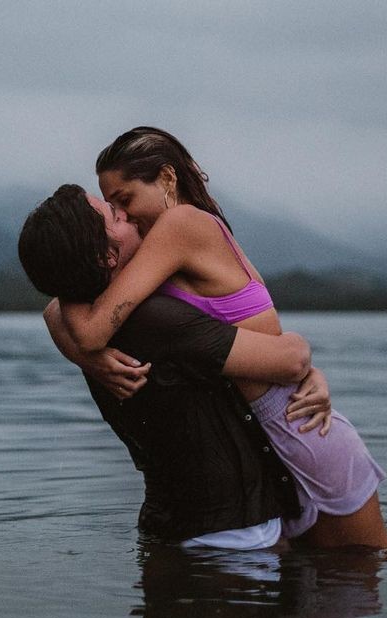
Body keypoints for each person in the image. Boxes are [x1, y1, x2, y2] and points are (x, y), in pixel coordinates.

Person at [56, 127, 387, 549]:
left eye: (124, 200)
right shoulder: (163, 246)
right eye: (110, 206)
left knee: (361, 578)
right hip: (269, 443)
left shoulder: (182, 225)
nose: (121, 215)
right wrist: (88, 357)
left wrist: (89, 354)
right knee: (321, 586)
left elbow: (87, 325)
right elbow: (63, 305)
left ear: (166, 178)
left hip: (304, 434)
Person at [20, 184, 331, 550]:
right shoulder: (154, 321)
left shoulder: (87, 326)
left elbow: (57, 306)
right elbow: (290, 359)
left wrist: (83, 353)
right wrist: (304, 357)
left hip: (169, 523)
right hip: (230, 533)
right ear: (106, 256)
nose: (127, 215)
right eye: (115, 217)